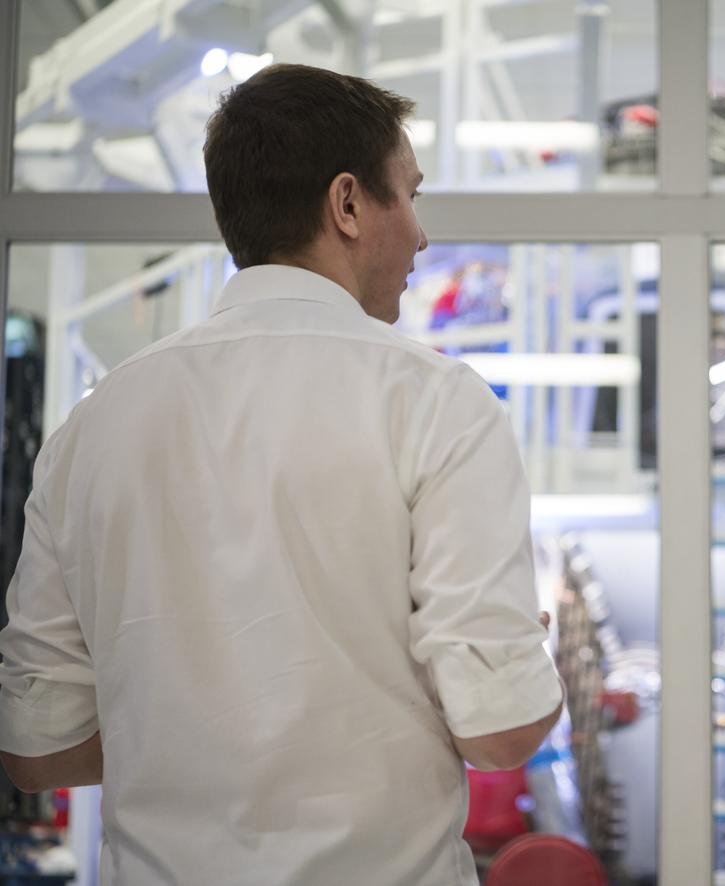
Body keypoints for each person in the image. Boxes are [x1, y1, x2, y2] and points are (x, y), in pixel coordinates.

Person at [0, 64, 564, 885]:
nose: (421, 236)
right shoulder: (437, 402)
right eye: (410, 196)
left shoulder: (92, 427)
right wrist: (512, 649)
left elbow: (37, 750)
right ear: (347, 204)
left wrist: (194, 730)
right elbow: (501, 733)